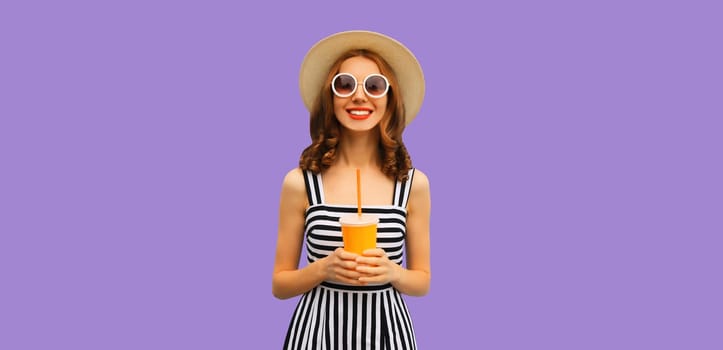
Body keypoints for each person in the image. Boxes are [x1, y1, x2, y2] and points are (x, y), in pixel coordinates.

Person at [272, 30, 431, 350]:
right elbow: (280, 283)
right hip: (316, 334)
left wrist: (392, 272)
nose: (359, 96)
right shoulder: (300, 183)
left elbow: (422, 279)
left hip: (388, 334)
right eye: (344, 85)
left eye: (374, 86)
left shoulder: (413, 184)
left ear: (389, 99)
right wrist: (322, 268)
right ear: (331, 98)